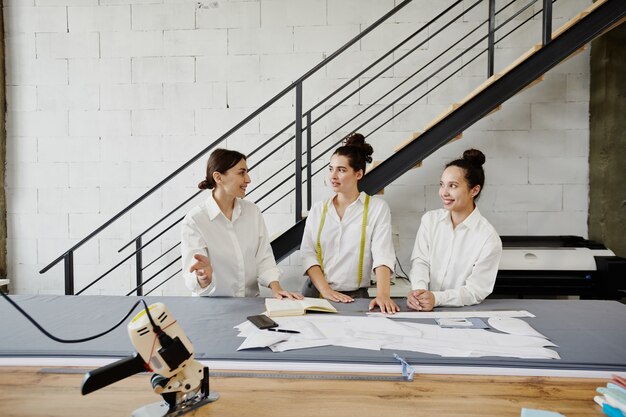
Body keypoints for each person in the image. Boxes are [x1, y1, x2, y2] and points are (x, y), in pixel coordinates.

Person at [181, 148, 302, 299]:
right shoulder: (195, 220)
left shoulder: (252, 212)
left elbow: (263, 257)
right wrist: (203, 278)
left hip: (249, 304)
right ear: (218, 177)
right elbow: (192, 276)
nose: (248, 179)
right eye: (241, 173)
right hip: (211, 306)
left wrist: (276, 288)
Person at [299, 133, 400, 314]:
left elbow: (383, 254)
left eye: (341, 170)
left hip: (356, 297)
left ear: (359, 174)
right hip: (315, 294)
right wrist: (326, 290)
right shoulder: (318, 209)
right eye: (331, 169)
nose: (333, 176)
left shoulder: (377, 208)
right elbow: (308, 253)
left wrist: (383, 294)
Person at [406, 149, 502, 312]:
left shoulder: (488, 238)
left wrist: (436, 298)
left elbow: (475, 291)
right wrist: (418, 292)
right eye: (442, 184)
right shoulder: (430, 220)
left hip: (463, 313)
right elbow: (420, 261)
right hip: (425, 309)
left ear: (474, 190)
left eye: (453, 186)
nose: (444, 193)